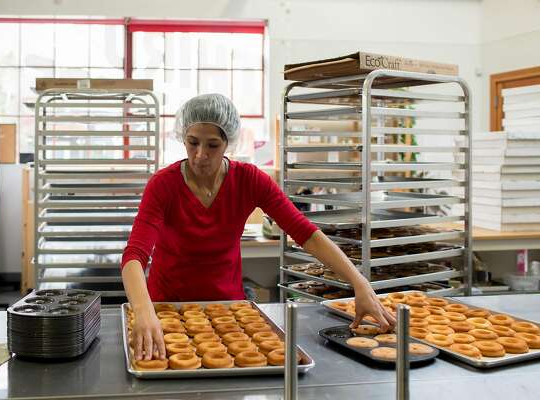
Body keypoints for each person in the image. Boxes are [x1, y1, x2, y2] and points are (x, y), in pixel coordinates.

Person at [121, 93, 396, 361]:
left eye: (212, 145)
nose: (200, 155)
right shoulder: (163, 185)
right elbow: (135, 255)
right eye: (192, 142)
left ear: (228, 142)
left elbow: (306, 234)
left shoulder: (249, 180)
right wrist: (143, 310)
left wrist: (360, 284)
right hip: (166, 309)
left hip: (229, 309)